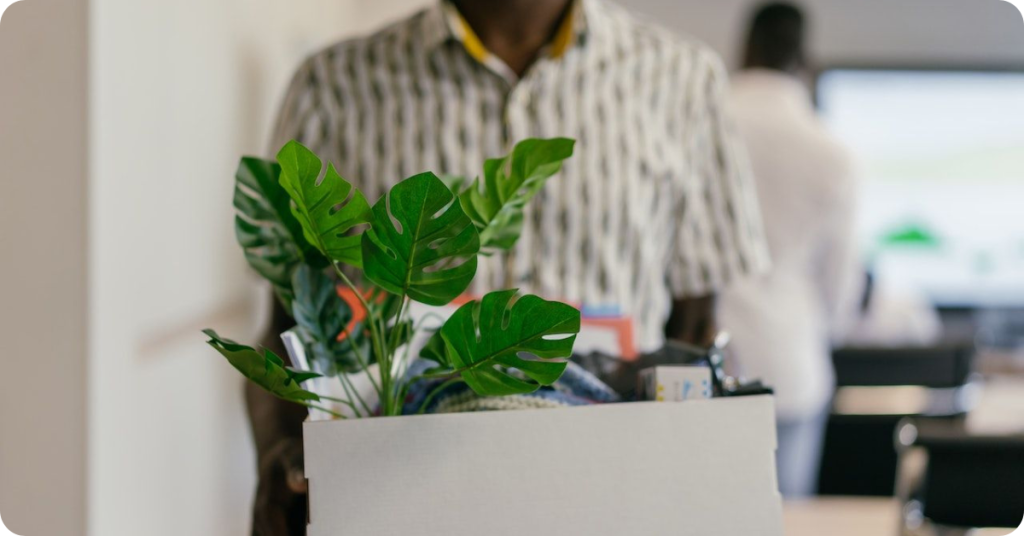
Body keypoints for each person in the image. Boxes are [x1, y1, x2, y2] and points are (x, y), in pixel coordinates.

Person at [249, 1, 770, 533]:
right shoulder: (334, 85)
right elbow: (290, 324)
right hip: (401, 504)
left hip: (609, 501)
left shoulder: (683, 80)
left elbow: (696, 327)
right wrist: (282, 458)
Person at [717, 2, 862, 497]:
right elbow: (840, 283)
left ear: (745, 48)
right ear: (804, 57)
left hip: (708, 355)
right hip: (791, 358)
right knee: (790, 516)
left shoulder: (707, 122)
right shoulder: (831, 149)